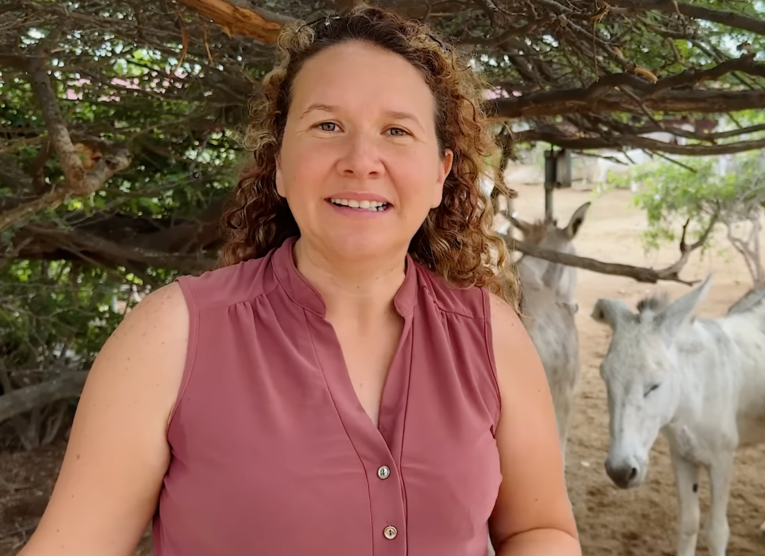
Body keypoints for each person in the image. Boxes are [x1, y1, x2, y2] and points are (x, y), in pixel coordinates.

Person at [19, 6, 579, 556]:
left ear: (440, 174)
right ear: (280, 163)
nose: (362, 160)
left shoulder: (492, 336)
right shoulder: (169, 338)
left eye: (396, 130)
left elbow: (539, 530)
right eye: (327, 125)